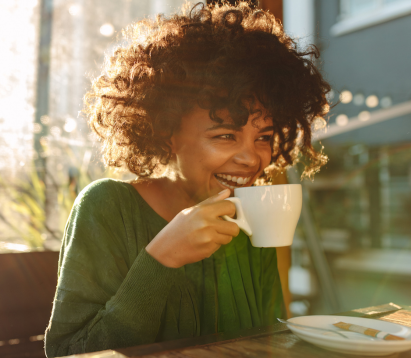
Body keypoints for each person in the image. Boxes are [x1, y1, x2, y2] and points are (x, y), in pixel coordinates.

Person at [44, 2, 330, 356]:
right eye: (226, 135)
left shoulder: (251, 216)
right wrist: (161, 258)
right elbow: (68, 352)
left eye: (264, 137)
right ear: (166, 133)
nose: (252, 157)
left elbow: (268, 342)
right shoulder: (106, 207)